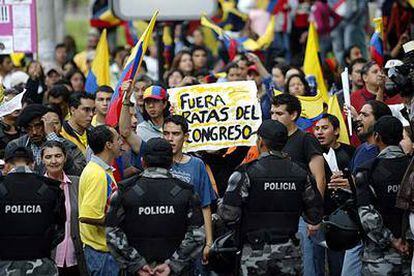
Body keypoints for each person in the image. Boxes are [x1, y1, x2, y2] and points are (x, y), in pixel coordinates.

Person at [120, 85, 216, 264]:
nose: (170, 138)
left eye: (176, 134)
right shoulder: (152, 158)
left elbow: (205, 206)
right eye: (167, 134)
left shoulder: (196, 165)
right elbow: (125, 132)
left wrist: (208, 243)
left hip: (189, 244)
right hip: (158, 242)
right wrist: (126, 99)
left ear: (185, 136)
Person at [218, 119, 324, 275]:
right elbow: (315, 215)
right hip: (289, 254)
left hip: (255, 254)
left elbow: (229, 214)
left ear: (261, 142)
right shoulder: (301, 174)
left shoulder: (245, 172)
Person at [106, 137, 205, 275]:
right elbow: (197, 236)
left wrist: (137, 264)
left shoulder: (124, 192)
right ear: (171, 162)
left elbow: (112, 233)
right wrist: (172, 265)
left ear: (143, 161)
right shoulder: (187, 192)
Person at [331, 100, 392, 276]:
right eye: (359, 114)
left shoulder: (381, 154)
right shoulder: (360, 149)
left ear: (379, 122)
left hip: (374, 230)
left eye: (364, 115)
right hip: (357, 226)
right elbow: (354, 179)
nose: (358, 119)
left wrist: (354, 185)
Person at [271, 94, 326, 276]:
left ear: (293, 115)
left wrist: (314, 216)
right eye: (272, 113)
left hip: (303, 215)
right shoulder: (272, 143)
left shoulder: (306, 139)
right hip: (278, 214)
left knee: (307, 265)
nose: (274, 117)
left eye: (279, 113)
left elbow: (320, 178)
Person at [355, 115, 411, 275]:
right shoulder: (410, 167)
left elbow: (366, 214)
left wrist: (392, 240)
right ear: (401, 137)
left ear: (377, 137)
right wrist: (405, 240)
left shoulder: (367, 170)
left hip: (378, 260)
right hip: (410, 256)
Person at [0, 144, 65, 275]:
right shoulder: (52, 189)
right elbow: (60, 232)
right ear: (33, 164)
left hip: (4, 266)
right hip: (42, 265)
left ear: (6, 165)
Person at [313, 114, 355, 275]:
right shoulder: (312, 154)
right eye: (317, 129)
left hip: (344, 218)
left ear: (336, 130)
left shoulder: (350, 152)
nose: (319, 133)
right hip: (320, 214)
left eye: (324, 128)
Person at [78, 125, 122, 275]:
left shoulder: (102, 171)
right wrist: (119, 220)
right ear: (108, 145)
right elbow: (88, 216)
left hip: (105, 252)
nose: (121, 142)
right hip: (101, 253)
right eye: (117, 139)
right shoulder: (97, 174)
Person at [41, 140, 88, 275]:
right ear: (42, 160)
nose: (54, 161)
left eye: (58, 156)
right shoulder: (37, 187)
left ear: (65, 157)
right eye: (48, 157)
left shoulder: (78, 183)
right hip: (47, 259)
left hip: (76, 257)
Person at [7, 104, 85, 176]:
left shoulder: (68, 146)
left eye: (38, 126)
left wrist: (52, 137)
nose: (34, 132)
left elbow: (79, 172)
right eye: (29, 128)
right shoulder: (16, 146)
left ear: (45, 124)